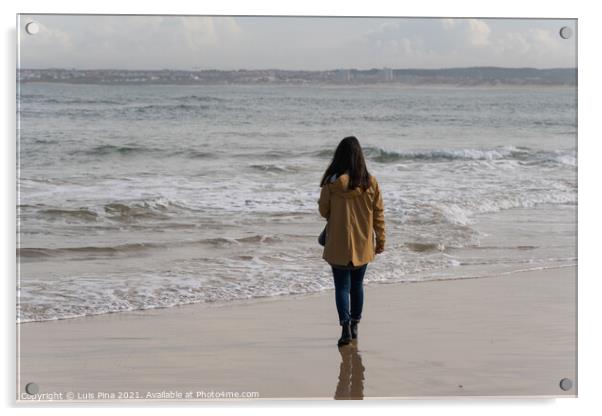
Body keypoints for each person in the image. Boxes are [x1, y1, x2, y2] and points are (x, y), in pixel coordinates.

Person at [318, 136, 385, 347]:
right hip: (363, 244)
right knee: (357, 286)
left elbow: (323, 211)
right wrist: (380, 239)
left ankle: (345, 327)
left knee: (341, 287)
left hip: (338, 244)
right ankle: (355, 324)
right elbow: (378, 214)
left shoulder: (331, 183)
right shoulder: (370, 182)